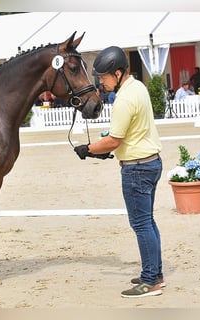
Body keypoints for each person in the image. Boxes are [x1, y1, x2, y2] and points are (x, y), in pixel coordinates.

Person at [73, 46, 164, 298]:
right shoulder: (138, 87)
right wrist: (104, 143)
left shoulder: (124, 98)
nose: (101, 82)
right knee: (149, 222)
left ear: (118, 72)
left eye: (104, 77)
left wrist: (88, 148)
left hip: (136, 168)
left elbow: (114, 140)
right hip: (151, 161)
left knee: (141, 224)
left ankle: (150, 282)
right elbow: (127, 132)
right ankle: (156, 273)